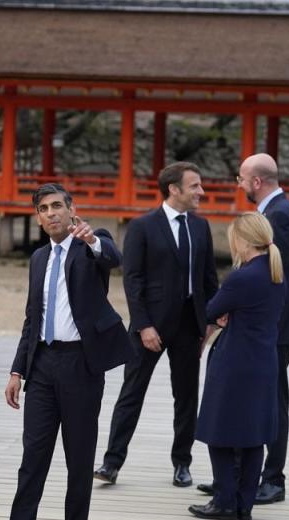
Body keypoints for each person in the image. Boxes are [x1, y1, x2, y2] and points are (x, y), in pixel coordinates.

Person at [0, 183, 133, 520]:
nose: (51, 213)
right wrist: (18, 369)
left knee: (78, 458)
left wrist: (93, 241)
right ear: (37, 217)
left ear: (71, 210)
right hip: (43, 366)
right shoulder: (38, 258)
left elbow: (112, 257)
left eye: (57, 206)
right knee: (32, 457)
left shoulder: (91, 244)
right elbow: (31, 318)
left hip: (81, 365)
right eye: (44, 209)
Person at [95, 162, 218, 487]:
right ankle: (112, 462)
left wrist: (209, 322)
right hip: (150, 326)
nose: (201, 192)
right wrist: (144, 325)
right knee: (131, 393)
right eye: (194, 186)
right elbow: (132, 280)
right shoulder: (142, 226)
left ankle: (182, 463)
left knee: (187, 396)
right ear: (173, 189)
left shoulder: (201, 227)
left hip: (190, 326)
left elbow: (209, 279)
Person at [198, 154, 289, 505]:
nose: (239, 184)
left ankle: (272, 478)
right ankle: (232, 479)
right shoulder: (274, 213)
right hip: (262, 322)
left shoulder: (281, 216)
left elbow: (273, 278)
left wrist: (246, 307)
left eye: (241, 179)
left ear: (257, 181)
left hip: (275, 325)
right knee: (248, 398)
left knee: (271, 401)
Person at [189, 213, 286, 520]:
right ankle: (244, 503)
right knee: (252, 435)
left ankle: (224, 501)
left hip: (235, 362)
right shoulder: (275, 273)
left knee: (219, 431)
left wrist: (222, 315)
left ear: (243, 240)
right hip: (263, 361)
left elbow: (211, 310)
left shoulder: (241, 276)